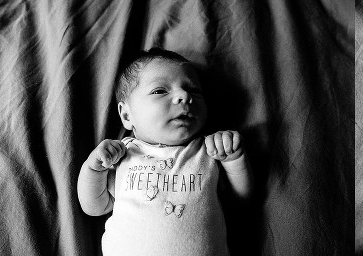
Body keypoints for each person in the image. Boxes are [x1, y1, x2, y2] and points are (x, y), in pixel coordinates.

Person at [77, 48, 251, 255]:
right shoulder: (123, 154)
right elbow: (95, 207)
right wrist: (94, 167)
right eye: (160, 91)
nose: (184, 96)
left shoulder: (208, 150)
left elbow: (240, 199)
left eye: (193, 90)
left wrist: (234, 158)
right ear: (126, 115)